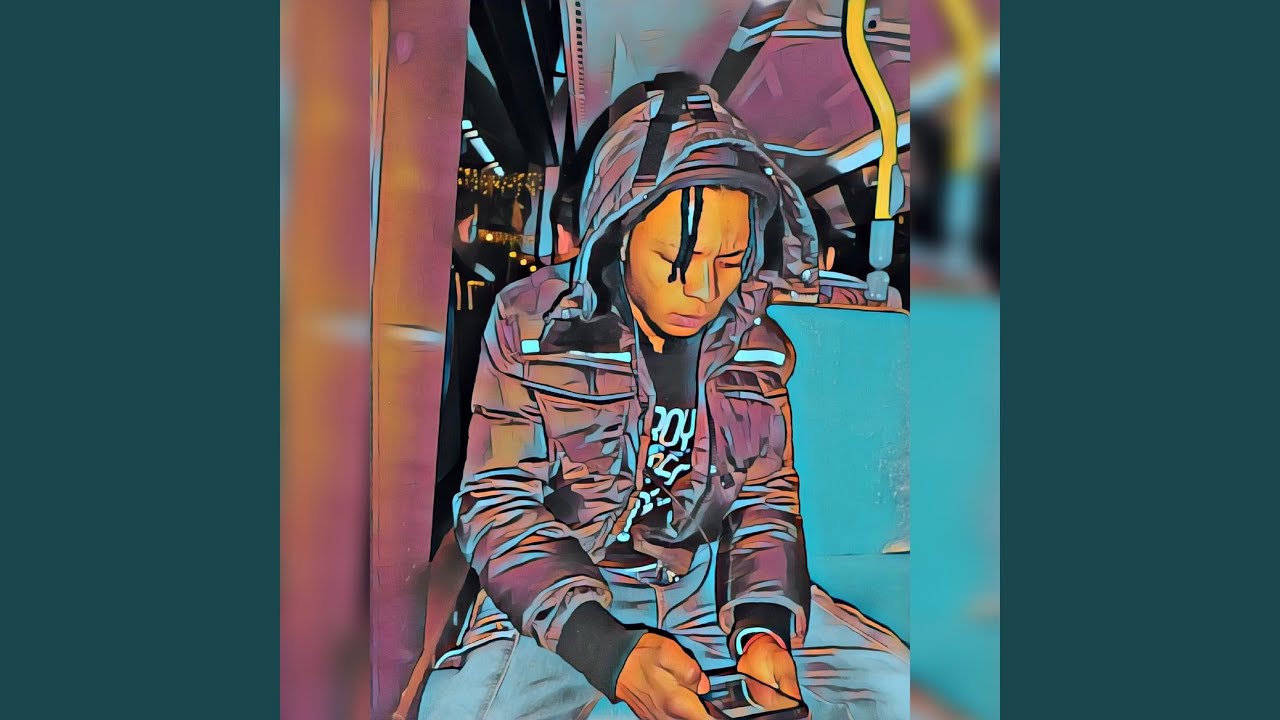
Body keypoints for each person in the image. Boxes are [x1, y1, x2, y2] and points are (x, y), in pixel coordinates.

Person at [420, 81, 908, 720]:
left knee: (898, 686)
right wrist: (606, 652)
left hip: (702, 583)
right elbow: (497, 502)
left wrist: (763, 626)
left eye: (729, 261)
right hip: (569, 583)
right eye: (676, 259)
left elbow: (765, 497)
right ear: (619, 234)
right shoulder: (531, 324)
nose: (703, 290)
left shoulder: (757, 346)